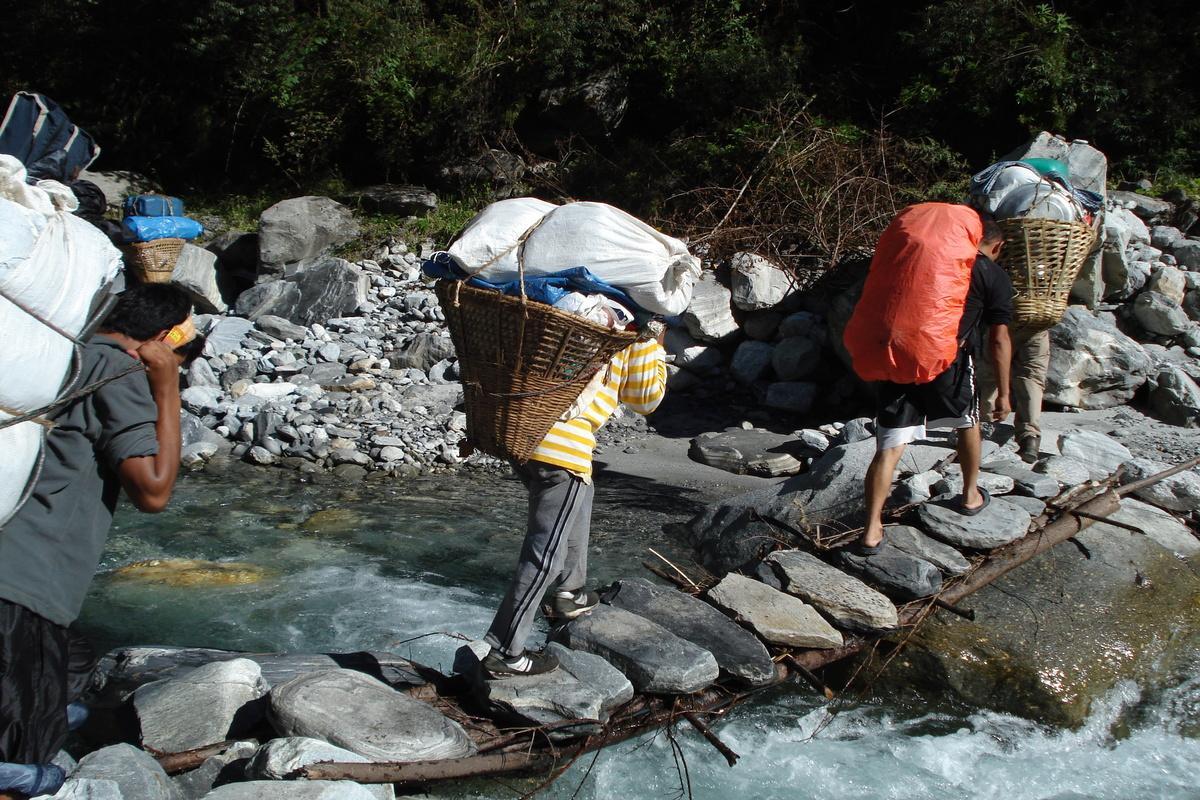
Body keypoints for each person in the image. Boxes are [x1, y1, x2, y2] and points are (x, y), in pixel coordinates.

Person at [0, 284, 191, 799]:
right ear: (159, 338)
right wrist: (166, 386)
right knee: (20, 753)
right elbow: (153, 490)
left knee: (74, 676)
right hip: (25, 584)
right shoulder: (115, 371)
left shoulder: (63, 355)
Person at [481, 320, 668, 677]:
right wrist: (654, 344)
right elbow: (645, 398)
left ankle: (572, 591)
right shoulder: (638, 330)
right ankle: (506, 653)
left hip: (524, 437)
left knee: (581, 492)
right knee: (544, 554)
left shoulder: (584, 320)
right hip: (561, 451)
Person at [854, 219, 1013, 554]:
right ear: (997, 245)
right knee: (968, 423)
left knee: (889, 446)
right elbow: (998, 340)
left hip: (897, 360)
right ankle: (970, 496)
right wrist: (1004, 392)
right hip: (948, 364)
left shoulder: (919, 263)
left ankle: (871, 531)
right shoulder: (990, 273)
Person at [977, 324, 1050, 463]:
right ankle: (1030, 438)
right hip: (1037, 323)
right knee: (1031, 377)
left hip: (1002, 322)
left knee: (990, 374)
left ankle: (987, 430)